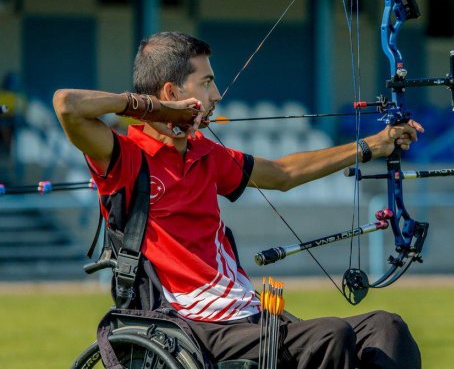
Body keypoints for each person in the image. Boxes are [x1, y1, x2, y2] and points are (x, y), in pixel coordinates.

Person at [53, 32, 423, 368]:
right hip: (189, 326)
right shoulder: (127, 157)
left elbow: (282, 174)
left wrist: (373, 145)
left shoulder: (205, 154)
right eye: (207, 82)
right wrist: (156, 112)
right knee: (331, 336)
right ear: (170, 93)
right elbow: (67, 104)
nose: (216, 95)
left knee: (387, 328)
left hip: (249, 316)